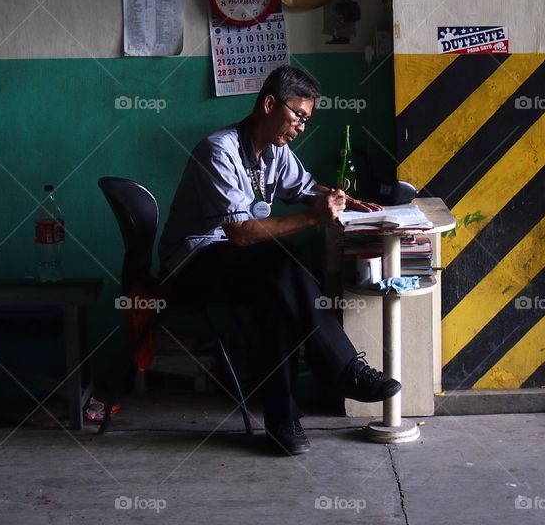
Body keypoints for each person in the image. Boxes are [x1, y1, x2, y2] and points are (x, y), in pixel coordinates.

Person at [157, 65, 400, 455]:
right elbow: (240, 234)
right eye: (298, 116)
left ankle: (283, 424)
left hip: (238, 263)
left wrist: (342, 200)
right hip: (190, 265)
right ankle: (343, 368)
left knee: (278, 294)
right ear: (270, 104)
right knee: (281, 262)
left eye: (306, 120)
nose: (301, 127)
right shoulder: (217, 150)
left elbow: (302, 187)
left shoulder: (276, 151)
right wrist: (314, 216)